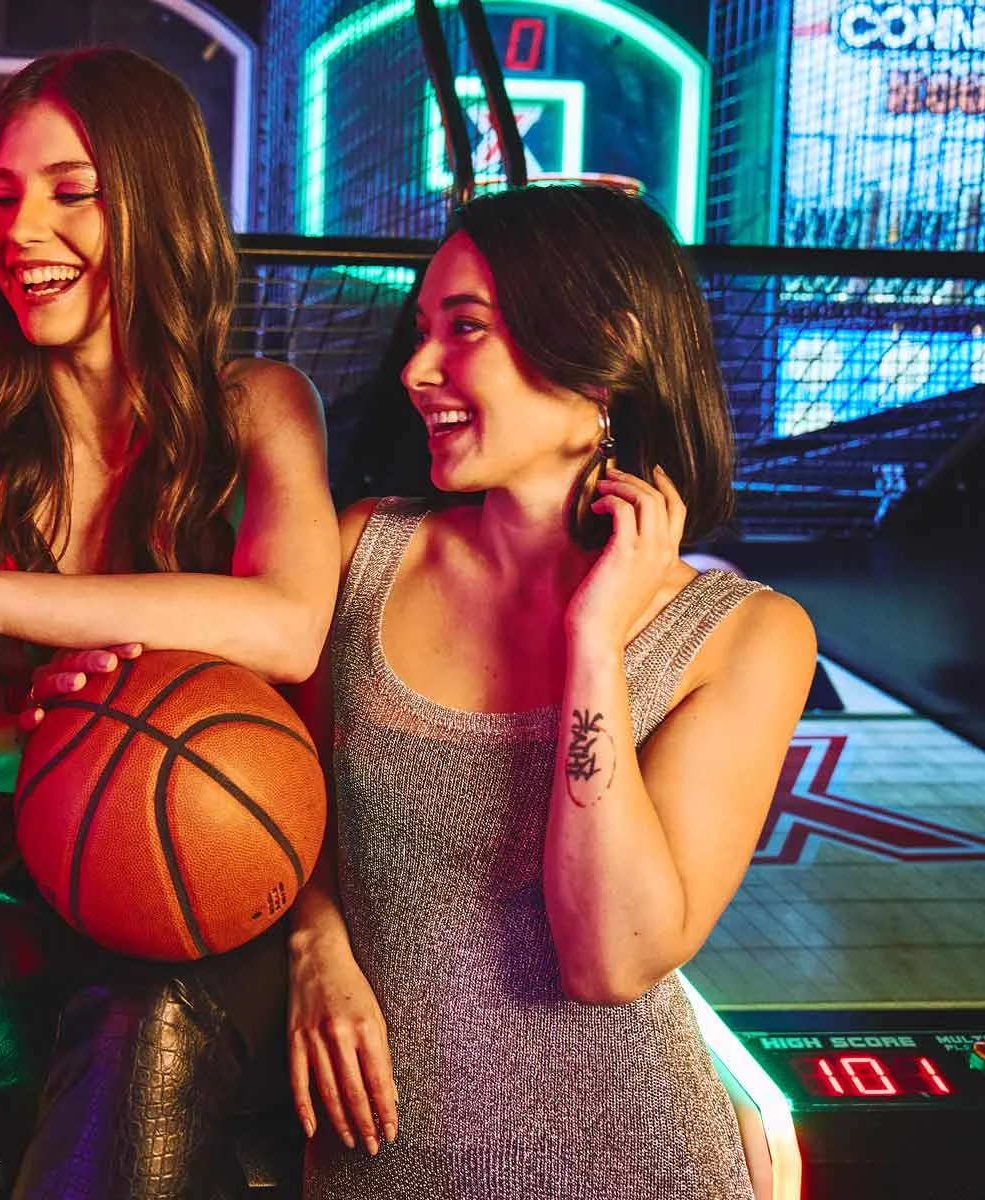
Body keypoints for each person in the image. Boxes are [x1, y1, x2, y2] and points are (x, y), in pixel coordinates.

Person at [0, 48, 341, 1198]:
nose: (22, 230)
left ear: (158, 200)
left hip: (235, 887)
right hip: (31, 890)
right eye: (1, 195)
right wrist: (48, 742)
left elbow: (290, 625)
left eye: (74, 192)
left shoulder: (261, 410)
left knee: (144, 1017)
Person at [285, 184, 818, 1198]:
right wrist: (315, 942)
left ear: (604, 351)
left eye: (466, 330)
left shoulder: (746, 637)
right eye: (423, 329)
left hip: (635, 1164)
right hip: (379, 1165)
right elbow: (282, 806)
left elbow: (611, 958)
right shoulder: (362, 554)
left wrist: (592, 642)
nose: (417, 369)